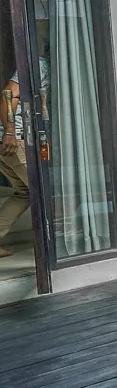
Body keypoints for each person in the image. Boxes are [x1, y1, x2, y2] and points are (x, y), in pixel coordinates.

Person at [0, 58, 46, 257]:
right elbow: (8, 95)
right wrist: (9, 132)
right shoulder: (40, 63)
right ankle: (52, 250)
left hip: (14, 141)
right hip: (15, 141)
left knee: (25, 192)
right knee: (41, 191)